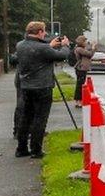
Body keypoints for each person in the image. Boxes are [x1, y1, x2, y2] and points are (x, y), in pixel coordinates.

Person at [15, 21, 70, 158]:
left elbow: (39, 51)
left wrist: (49, 45)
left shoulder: (20, 45)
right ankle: (36, 150)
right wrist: (65, 46)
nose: (45, 34)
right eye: (44, 31)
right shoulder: (43, 48)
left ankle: (21, 148)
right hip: (42, 87)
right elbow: (61, 56)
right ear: (39, 32)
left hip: (26, 87)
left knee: (26, 118)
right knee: (40, 119)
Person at [72, 35, 93, 108]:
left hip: (81, 69)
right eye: (85, 41)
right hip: (80, 68)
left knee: (80, 85)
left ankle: (78, 101)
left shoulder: (81, 49)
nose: (86, 42)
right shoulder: (79, 49)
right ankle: (79, 101)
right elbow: (90, 54)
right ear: (82, 42)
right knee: (80, 86)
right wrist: (94, 48)